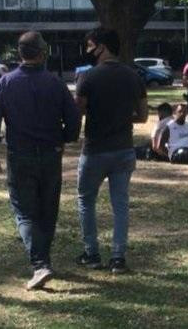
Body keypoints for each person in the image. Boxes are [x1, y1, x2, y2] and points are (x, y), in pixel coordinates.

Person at [0, 31, 81, 290]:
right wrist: (65, 138)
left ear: (20, 54)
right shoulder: (55, 83)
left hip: (20, 155)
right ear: (42, 53)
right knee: (47, 211)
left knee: (25, 212)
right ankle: (43, 261)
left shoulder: (5, 83)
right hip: (51, 154)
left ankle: (40, 264)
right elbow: (73, 120)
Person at [75, 28, 148, 274]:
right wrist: (122, 116)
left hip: (95, 149)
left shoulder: (88, 77)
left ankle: (92, 253)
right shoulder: (134, 76)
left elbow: (79, 110)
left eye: (90, 45)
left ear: (102, 46)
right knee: (120, 205)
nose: (88, 51)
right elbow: (143, 115)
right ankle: (118, 257)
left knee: (86, 200)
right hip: (124, 150)